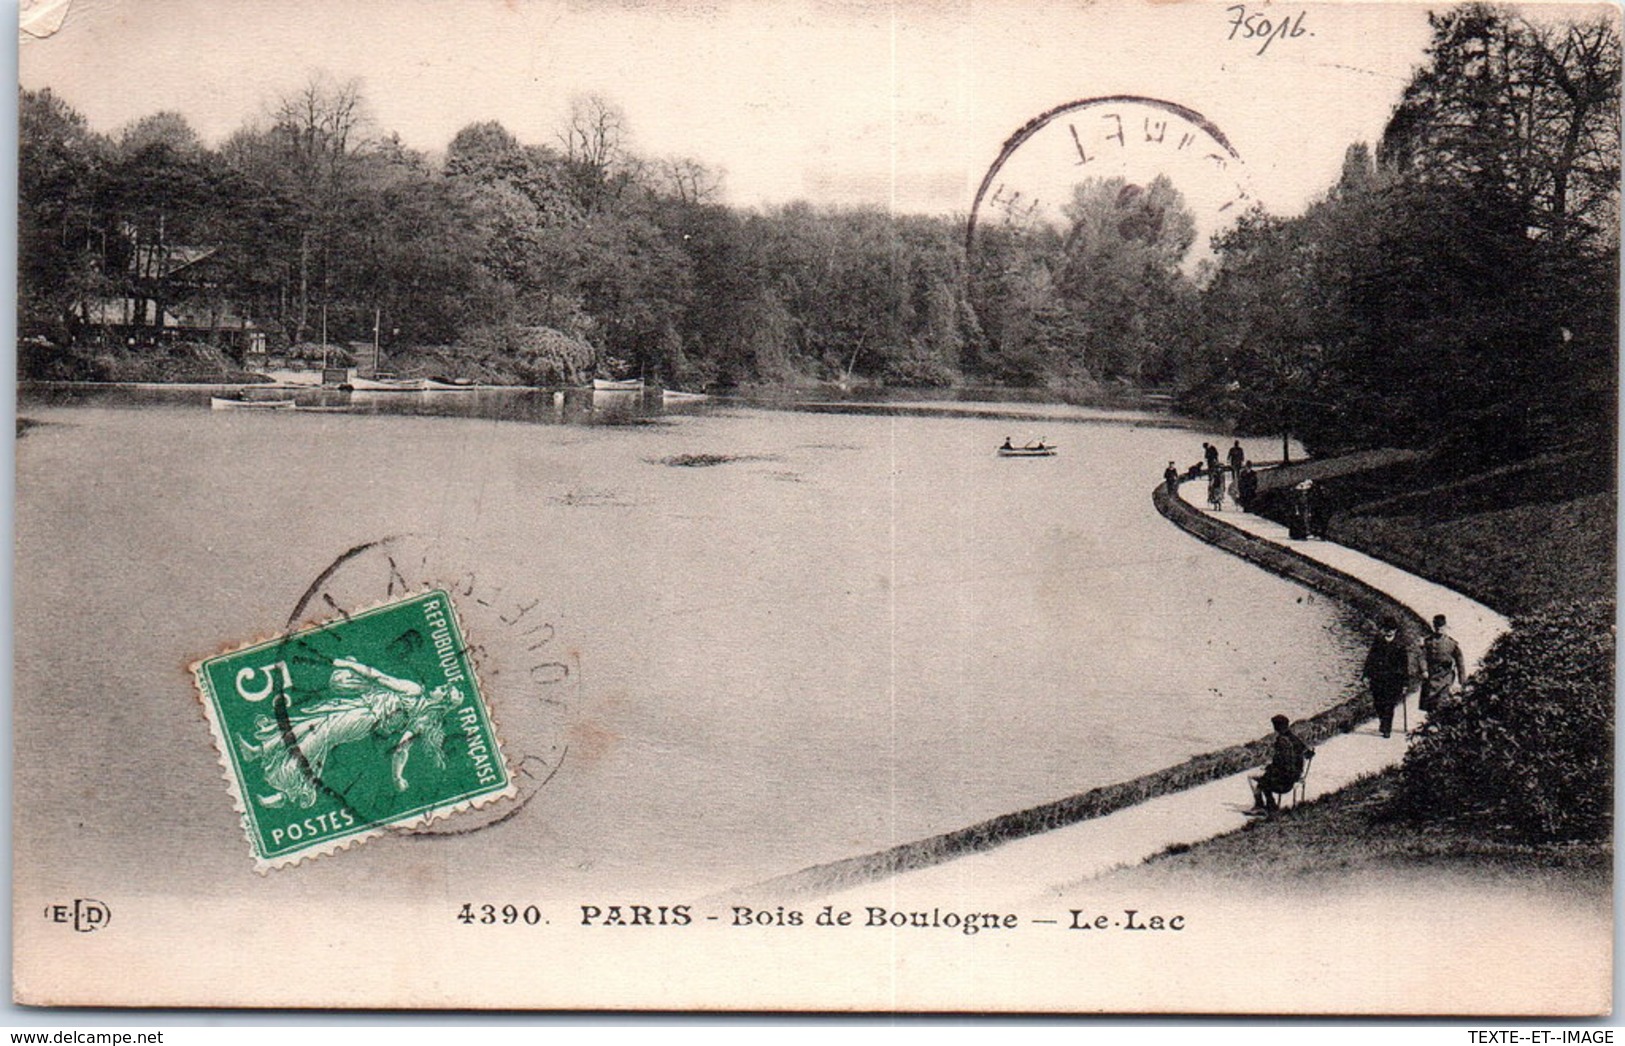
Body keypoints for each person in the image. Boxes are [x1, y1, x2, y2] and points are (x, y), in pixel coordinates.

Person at [1362, 617, 1419, 738]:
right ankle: (1383, 721)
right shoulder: (1378, 642)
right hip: (1378, 679)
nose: (1389, 632)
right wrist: (1366, 675)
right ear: (1383, 630)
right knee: (1378, 703)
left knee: (1389, 704)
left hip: (1394, 680)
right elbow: (1370, 659)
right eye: (1387, 629)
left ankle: (1387, 728)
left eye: (1392, 629)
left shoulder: (1400, 645)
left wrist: (1405, 683)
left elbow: (1404, 665)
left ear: (1395, 631)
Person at [1248, 714, 1313, 816]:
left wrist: (1268, 768)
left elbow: (1281, 763)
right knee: (1265, 778)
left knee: (1261, 781)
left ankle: (1267, 807)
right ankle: (1268, 806)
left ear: (1276, 727)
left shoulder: (1281, 741)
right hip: (1296, 776)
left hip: (1284, 782)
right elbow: (1308, 753)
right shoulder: (1294, 739)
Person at [1419, 613, 1467, 713]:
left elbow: (1460, 662)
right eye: (1436, 627)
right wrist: (1424, 670)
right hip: (1431, 676)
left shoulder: (1452, 643)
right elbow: (1422, 656)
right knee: (1431, 703)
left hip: (1446, 677)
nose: (1439, 629)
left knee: (1442, 701)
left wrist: (1462, 681)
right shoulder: (1428, 642)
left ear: (1445, 627)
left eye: (1441, 627)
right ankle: (1431, 725)